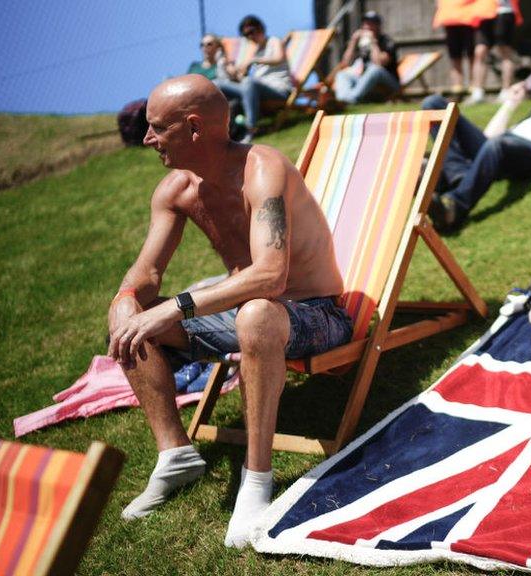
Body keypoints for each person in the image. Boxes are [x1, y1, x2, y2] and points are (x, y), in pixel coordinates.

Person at [108, 75, 352, 548]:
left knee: (257, 312)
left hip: (314, 313)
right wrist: (126, 304)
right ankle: (175, 456)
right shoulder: (175, 190)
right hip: (245, 315)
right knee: (132, 313)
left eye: (157, 127)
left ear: (194, 128)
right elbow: (145, 275)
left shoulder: (263, 169)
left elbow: (271, 276)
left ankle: (256, 481)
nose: (147, 138)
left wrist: (176, 309)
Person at [424, 67, 531, 230]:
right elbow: (489, 136)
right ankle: (459, 175)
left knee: (498, 143)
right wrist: (511, 103)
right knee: (433, 103)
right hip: (501, 147)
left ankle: (455, 207)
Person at [216, 15, 293, 143]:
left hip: (279, 89)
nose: (250, 36)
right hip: (255, 90)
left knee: (249, 82)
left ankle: (250, 129)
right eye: (246, 35)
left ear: (260, 28)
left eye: (251, 32)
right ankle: (223, 129)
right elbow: (242, 78)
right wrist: (231, 70)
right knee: (217, 84)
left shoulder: (273, 41)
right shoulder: (255, 50)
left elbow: (280, 58)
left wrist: (254, 60)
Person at [334, 11, 400, 104]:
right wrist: (353, 41)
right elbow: (345, 63)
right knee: (342, 74)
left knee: (374, 69)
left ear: (378, 25)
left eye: (371, 23)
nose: (367, 26)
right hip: (364, 79)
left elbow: (379, 64)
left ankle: (352, 99)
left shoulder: (387, 41)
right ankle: (343, 100)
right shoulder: (361, 42)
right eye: (365, 23)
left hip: (390, 82)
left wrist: (373, 42)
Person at [465, 0, 523, 105]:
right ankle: (478, 93)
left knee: (505, 52)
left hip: (503, 12)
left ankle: (506, 91)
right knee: (479, 51)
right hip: (483, 13)